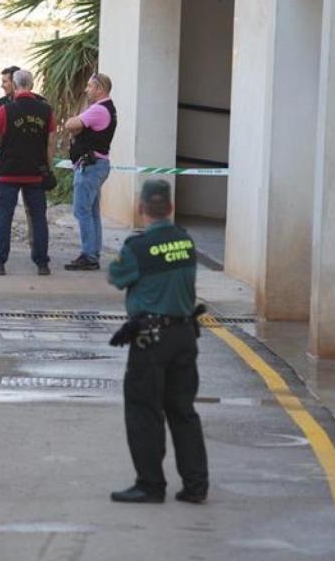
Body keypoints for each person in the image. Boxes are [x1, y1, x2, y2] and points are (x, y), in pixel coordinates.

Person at [107, 179, 208, 504]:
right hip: (184, 335)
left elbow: (116, 276)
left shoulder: (137, 248)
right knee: (183, 412)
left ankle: (150, 484)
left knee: (144, 411)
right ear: (171, 207)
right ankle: (196, 486)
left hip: (151, 339)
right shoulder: (186, 242)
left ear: (140, 208)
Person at [0, 69, 53, 277]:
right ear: (31, 85)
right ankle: (42, 263)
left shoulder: (6, 109)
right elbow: (50, 144)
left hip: (9, 172)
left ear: (15, 84)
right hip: (36, 173)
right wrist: (48, 169)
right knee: (39, 218)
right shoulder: (46, 110)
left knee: (5, 216)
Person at [64, 73, 117, 271]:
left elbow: (71, 125)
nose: (86, 90)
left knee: (81, 211)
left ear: (100, 89)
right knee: (92, 212)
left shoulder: (99, 110)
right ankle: (92, 254)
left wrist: (76, 121)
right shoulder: (107, 109)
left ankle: (88, 255)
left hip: (90, 167)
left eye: (89, 86)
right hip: (98, 165)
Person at [0, 66, 33, 260]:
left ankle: (36, 247)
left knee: (30, 207)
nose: (2, 85)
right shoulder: (1, 103)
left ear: (15, 82)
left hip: (28, 163)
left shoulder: (36, 103)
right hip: (2, 164)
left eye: (5, 82)